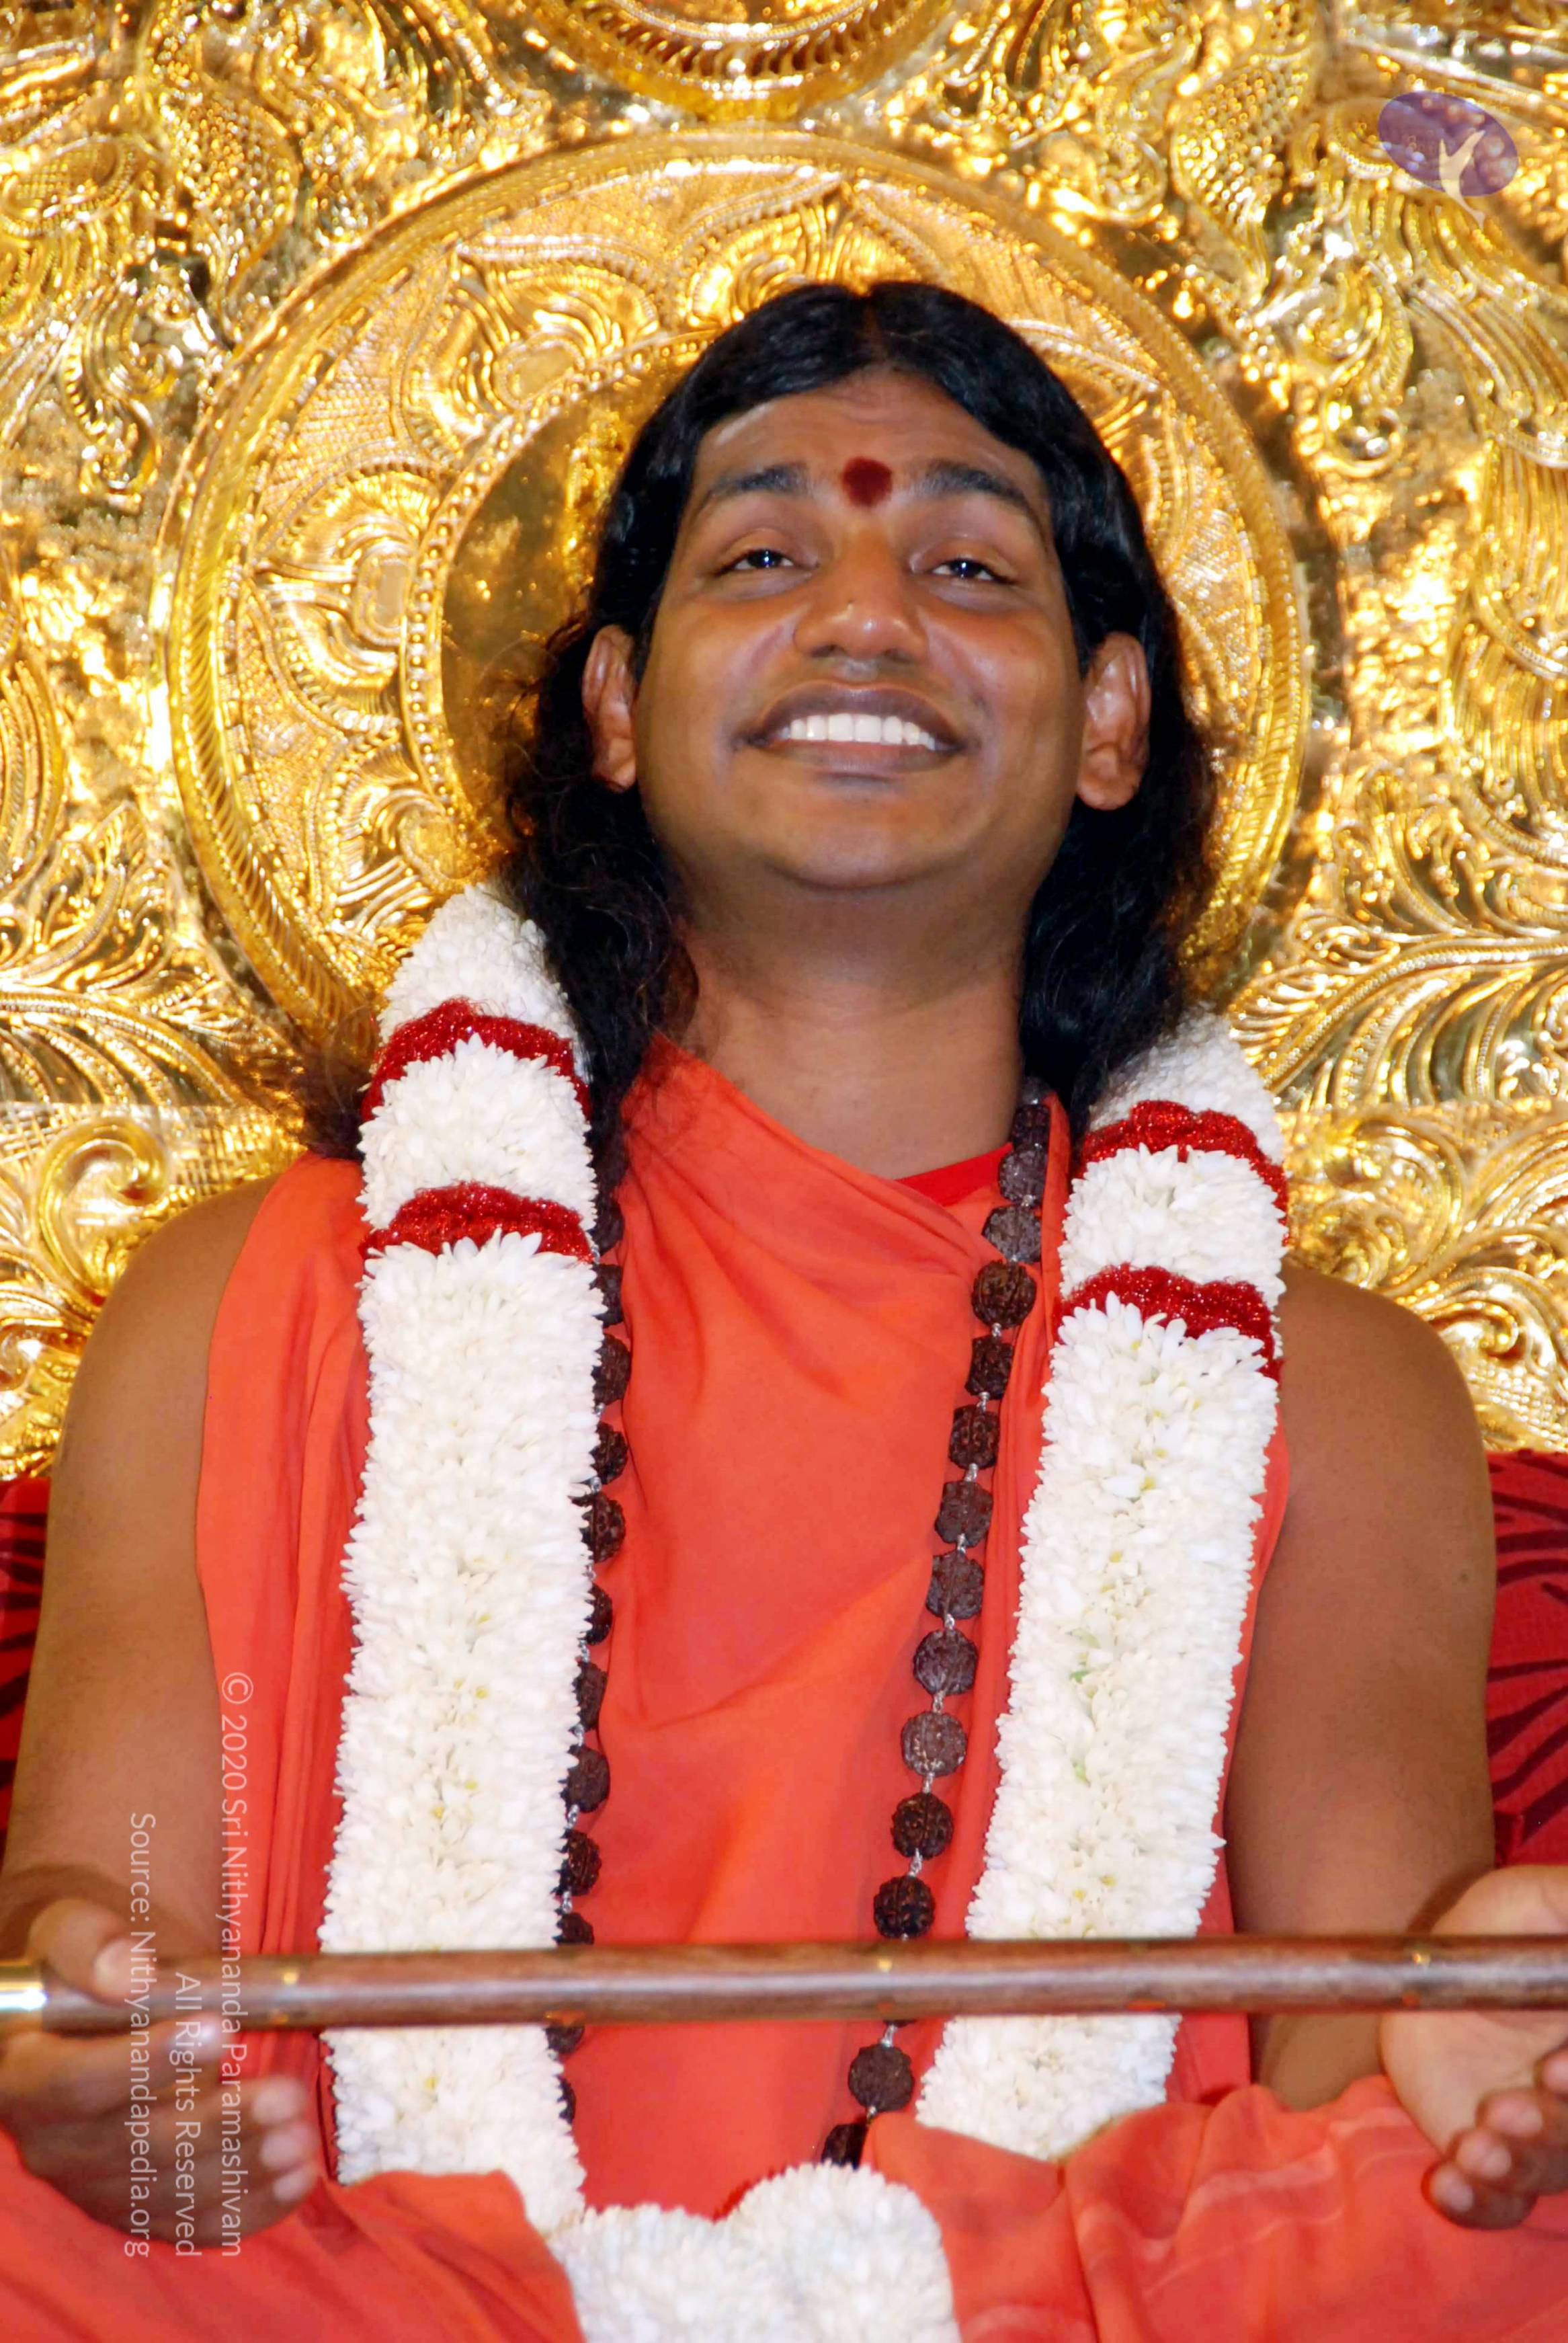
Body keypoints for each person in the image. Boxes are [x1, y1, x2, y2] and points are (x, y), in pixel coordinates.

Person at [0, 278, 1564, 2338]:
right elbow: (107, 1918)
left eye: (968, 568)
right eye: (761, 557)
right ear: (618, 707)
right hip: (369, 2290)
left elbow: (1344, 2050)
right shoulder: (257, 1297)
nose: (862, 617)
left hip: (1053, 2299)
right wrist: (98, 2067)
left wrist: (1460, 2083)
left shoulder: (1324, 1384)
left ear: (1109, 723)